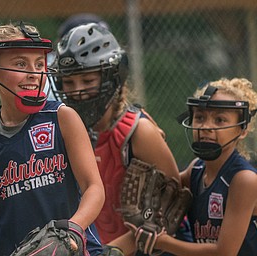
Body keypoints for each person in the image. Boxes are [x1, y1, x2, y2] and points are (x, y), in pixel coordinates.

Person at [0, 21, 105, 256]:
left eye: (39, 64)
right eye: (20, 64)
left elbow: (94, 188)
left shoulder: (62, 118)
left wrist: (72, 231)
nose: (34, 73)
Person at [52, 22, 189, 255]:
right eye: (70, 82)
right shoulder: (67, 130)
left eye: (87, 81)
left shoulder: (137, 132)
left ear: (113, 77)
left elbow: (171, 207)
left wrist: (114, 250)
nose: (77, 91)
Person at [154, 78, 257, 256]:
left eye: (220, 120)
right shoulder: (196, 170)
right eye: (200, 117)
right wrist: (152, 137)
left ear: (242, 130)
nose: (206, 127)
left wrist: (162, 242)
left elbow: (224, 253)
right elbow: (164, 189)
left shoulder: (244, 180)